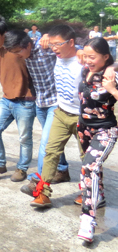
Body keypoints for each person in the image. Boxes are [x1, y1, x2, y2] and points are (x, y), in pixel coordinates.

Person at [3, 30, 71, 193]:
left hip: (56, 103)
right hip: (40, 104)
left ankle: (39, 181)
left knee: (46, 143)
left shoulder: (45, 48)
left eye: (18, 51)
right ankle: (62, 170)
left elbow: (72, 46)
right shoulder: (25, 51)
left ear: (28, 45)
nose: (18, 56)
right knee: (54, 140)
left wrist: (48, 35)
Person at [27, 26, 85, 208]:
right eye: (52, 45)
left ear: (71, 42)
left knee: (87, 157)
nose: (54, 48)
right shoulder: (56, 56)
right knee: (51, 152)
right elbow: (33, 46)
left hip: (83, 117)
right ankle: (43, 194)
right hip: (60, 113)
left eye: (58, 44)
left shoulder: (84, 59)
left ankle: (91, 193)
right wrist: (45, 37)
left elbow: (108, 63)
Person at [75, 38, 118, 242]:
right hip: (84, 128)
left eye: (92, 57)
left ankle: (88, 218)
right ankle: (98, 198)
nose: (87, 60)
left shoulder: (112, 75)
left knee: (89, 167)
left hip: (105, 130)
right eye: (85, 56)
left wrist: (112, 89)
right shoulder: (86, 70)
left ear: (105, 56)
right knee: (94, 168)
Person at [0, 15, 36, 182]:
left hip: (26, 101)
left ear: (4, 34)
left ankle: (22, 168)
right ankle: (0, 163)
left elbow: (37, 49)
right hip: (6, 100)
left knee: (24, 138)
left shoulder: (19, 49)